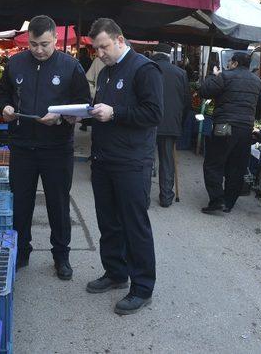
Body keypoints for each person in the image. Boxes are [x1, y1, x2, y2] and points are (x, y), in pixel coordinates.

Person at [0, 15, 91, 280]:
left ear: (56, 40)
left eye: (44, 44)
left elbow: (84, 104)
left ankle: (61, 256)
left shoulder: (71, 67)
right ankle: (21, 253)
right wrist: (4, 107)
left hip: (57, 147)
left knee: (58, 204)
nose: (38, 50)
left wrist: (61, 117)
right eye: (34, 44)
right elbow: (1, 93)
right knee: (21, 204)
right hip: (22, 145)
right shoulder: (15, 63)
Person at [85, 18, 163, 315]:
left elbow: (154, 113)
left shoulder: (144, 69)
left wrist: (114, 112)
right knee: (108, 221)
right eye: (96, 48)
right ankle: (116, 272)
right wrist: (86, 114)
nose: (100, 53)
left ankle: (142, 288)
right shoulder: (106, 73)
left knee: (134, 225)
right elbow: (102, 111)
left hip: (132, 161)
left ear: (120, 40)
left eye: (103, 46)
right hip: (104, 159)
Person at [199, 52, 261, 214]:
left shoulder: (225, 76)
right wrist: (253, 117)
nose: (229, 64)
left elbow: (204, 91)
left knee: (214, 162)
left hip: (224, 125)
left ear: (236, 63)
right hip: (245, 129)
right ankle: (228, 203)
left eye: (230, 62)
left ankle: (217, 200)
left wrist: (213, 75)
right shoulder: (257, 81)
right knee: (237, 166)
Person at [150, 43, 191, 207]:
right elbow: (187, 102)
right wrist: (178, 121)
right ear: (169, 55)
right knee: (167, 162)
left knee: (146, 160)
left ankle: (143, 198)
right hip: (170, 124)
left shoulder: (146, 68)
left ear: (154, 53)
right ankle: (166, 197)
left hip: (147, 123)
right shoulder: (180, 73)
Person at [79, 55, 106, 131]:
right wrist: (95, 92)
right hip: (98, 101)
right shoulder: (98, 61)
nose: (100, 52)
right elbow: (88, 80)